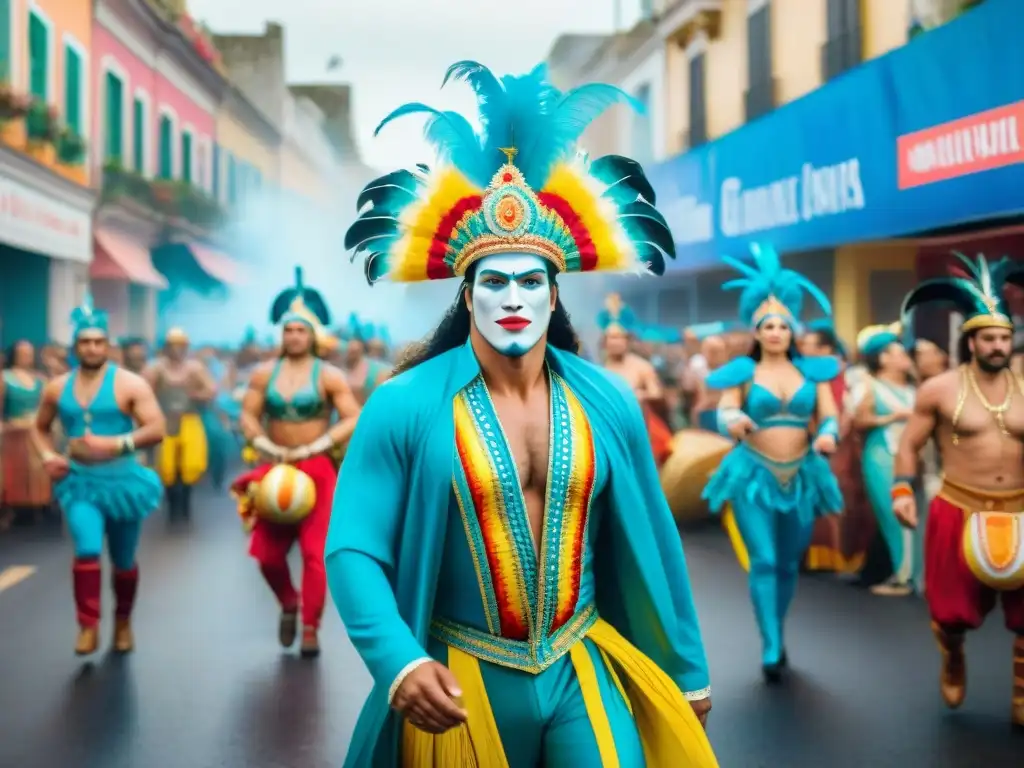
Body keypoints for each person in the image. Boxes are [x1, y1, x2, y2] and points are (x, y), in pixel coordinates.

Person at [327, 60, 717, 767]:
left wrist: (686, 670)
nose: (513, 297)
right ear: (465, 294)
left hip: (581, 662)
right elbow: (353, 547)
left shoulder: (608, 400)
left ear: (555, 295)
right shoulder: (403, 405)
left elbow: (655, 542)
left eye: (531, 281)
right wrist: (400, 663)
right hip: (458, 674)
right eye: (494, 280)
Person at [893, 254, 1024, 728]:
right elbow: (908, 446)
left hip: (1020, 508)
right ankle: (952, 655)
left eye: (1005, 337)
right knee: (950, 616)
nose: (997, 345)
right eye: (989, 337)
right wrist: (902, 493)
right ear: (971, 340)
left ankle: (1021, 694)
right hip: (958, 506)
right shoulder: (941, 390)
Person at [703, 244, 842, 682]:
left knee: (786, 561)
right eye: (769, 325)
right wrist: (735, 418)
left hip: (802, 474)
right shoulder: (741, 373)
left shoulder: (813, 372)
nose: (777, 331)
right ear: (757, 331)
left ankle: (777, 626)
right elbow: (725, 410)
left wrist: (827, 434)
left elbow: (830, 414)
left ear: (792, 330)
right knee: (763, 559)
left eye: (784, 325)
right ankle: (771, 644)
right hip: (752, 474)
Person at [232, 267, 361, 657]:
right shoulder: (263, 374)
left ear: (313, 335)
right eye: (288, 330)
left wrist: (318, 444)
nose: (293, 337)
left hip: (317, 469)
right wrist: (259, 441)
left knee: (313, 553)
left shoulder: (329, 375)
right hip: (275, 468)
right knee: (268, 555)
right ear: (281, 334)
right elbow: (248, 415)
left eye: (301, 330)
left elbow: (354, 416)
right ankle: (289, 601)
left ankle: (310, 627)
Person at [32, 297, 165, 655]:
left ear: (108, 345)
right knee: (87, 550)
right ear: (75, 347)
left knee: (123, 561)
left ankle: (123, 622)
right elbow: (39, 427)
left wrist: (116, 443)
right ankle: (87, 625)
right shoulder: (57, 387)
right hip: (80, 483)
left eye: (98, 341)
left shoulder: (130, 384)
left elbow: (156, 428)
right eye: (84, 342)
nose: (91, 348)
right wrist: (47, 456)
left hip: (123, 483)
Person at [852, 323, 917, 595]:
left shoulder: (915, 387)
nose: (905, 357)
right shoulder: (870, 385)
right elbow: (859, 420)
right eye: (897, 353)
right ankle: (904, 577)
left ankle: (913, 575)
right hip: (881, 457)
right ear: (883, 358)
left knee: (915, 516)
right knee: (893, 516)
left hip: (911, 459)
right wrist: (892, 417)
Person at [143, 329, 216, 518]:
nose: (176, 350)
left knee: (191, 464)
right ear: (166, 348)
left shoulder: (195, 368)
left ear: (185, 347)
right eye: (172, 345)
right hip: (165, 420)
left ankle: (186, 502)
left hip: (189, 419)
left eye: (180, 345)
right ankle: (172, 504)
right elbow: (143, 392)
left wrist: (196, 394)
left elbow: (211, 390)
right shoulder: (155, 368)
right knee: (166, 466)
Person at [597, 294, 674, 465]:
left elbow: (656, 392)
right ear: (605, 342)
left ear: (627, 341)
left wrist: (640, 394)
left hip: (640, 429)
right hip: (609, 431)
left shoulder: (641, 366)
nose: (615, 342)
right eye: (611, 338)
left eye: (619, 338)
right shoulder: (598, 370)